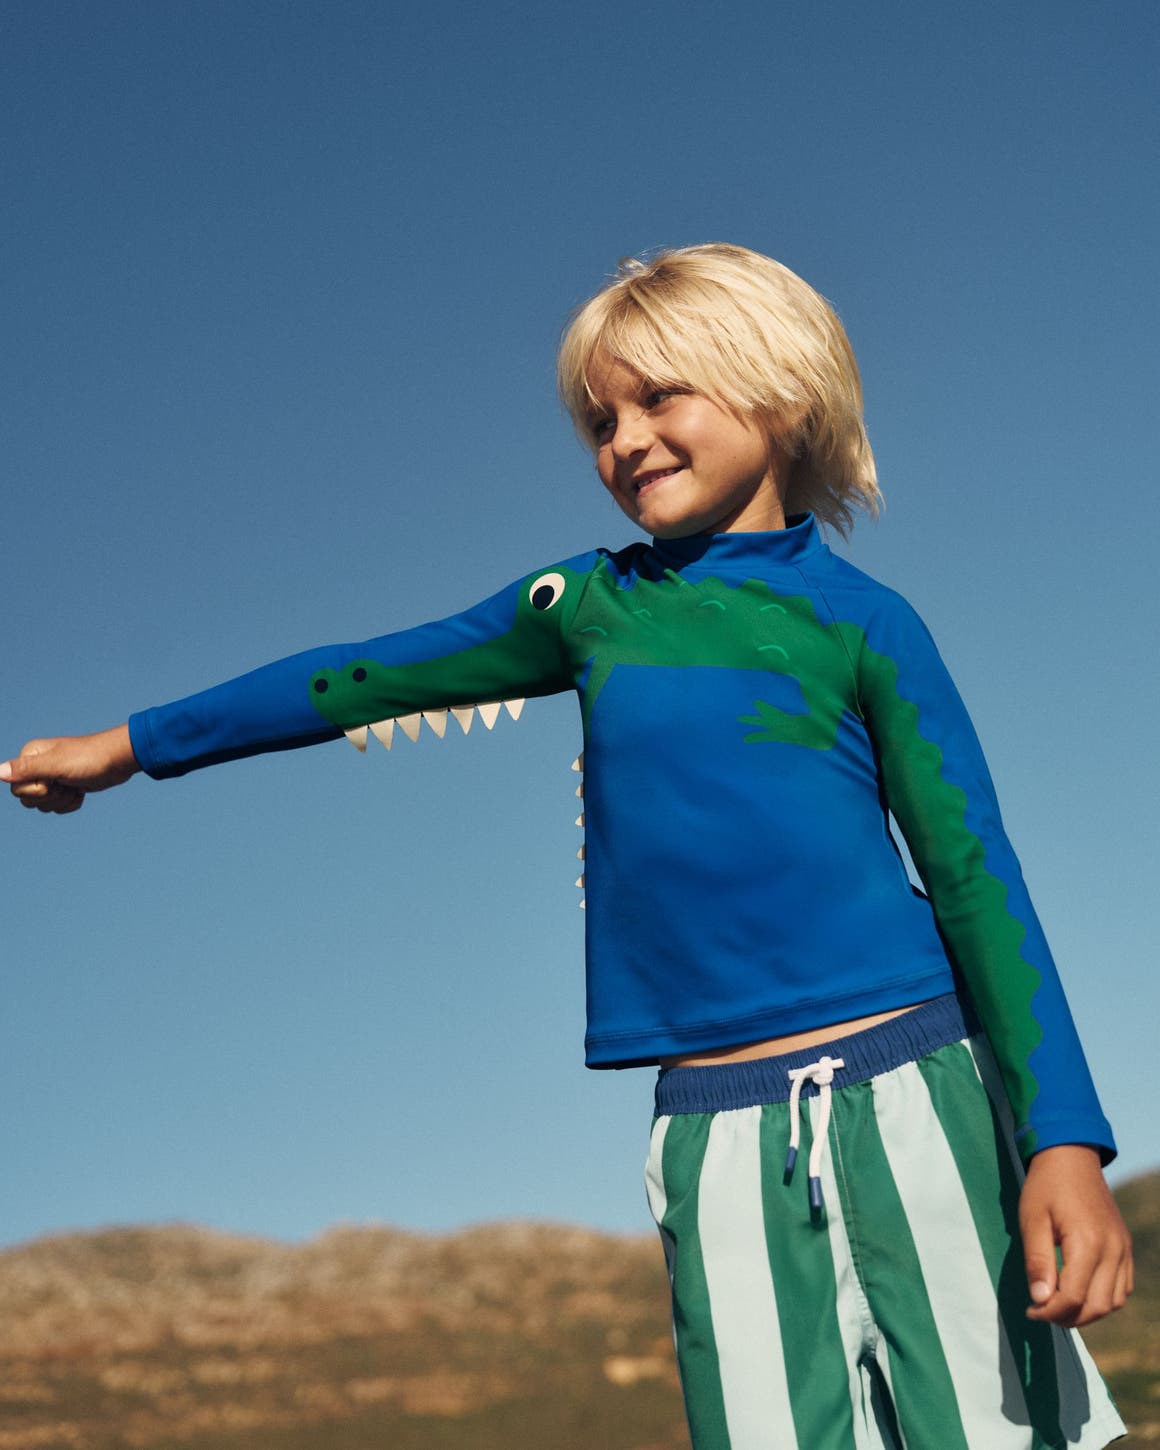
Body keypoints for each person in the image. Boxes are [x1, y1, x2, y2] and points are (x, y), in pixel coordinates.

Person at [3, 244, 1131, 1448]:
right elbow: (364, 676)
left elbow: (974, 878)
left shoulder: (867, 623)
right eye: (599, 421)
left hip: (919, 1082)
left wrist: (1061, 1136)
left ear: (780, 392)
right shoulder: (584, 606)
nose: (623, 441)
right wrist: (130, 744)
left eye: (658, 398)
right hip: (713, 1124)